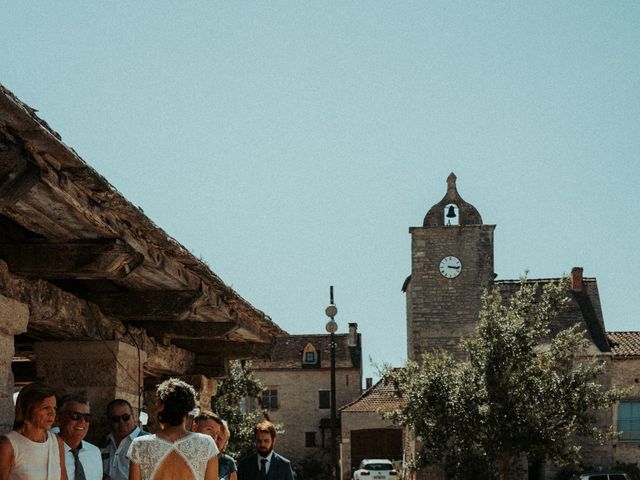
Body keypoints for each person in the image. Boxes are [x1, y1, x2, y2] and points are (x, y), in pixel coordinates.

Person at [127, 378, 218, 480]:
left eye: (157, 403)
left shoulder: (140, 445)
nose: (155, 407)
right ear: (188, 409)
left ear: (161, 407)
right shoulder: (207, 444)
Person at [0, 382, 68, 480]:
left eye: (54, 408)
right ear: (28, 409)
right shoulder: (9, 445)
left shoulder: (56, 442)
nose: (52, 413)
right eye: (45, 408)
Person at [101, 399, 149, 480]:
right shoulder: (104, 442)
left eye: (125, 417)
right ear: (109, 420)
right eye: (116, 419)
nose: (121, 422)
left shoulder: (147, 442)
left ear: (133, 416)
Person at [57, 394, 102, 480]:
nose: (82, 421)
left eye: (86, 417)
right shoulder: (49, 451)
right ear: (59, 418)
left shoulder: (94, 452)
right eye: (75, 415)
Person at [191, 412, 236, 480]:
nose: (214, 437)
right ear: (194, 428)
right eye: (209, 429)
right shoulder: (182, 451)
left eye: (217, 433)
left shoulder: (214, 457)